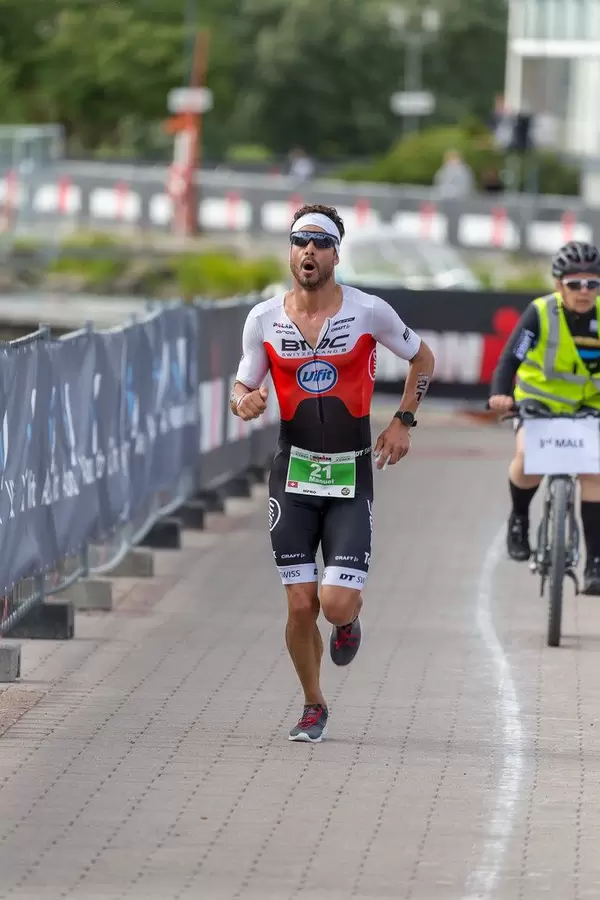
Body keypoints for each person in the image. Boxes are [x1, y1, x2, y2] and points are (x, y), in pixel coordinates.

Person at [229, 203, 435, 743]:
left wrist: (402, 422)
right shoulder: (263, 318)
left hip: (349, 476)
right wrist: (244, 401)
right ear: (291, 251)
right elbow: (242, 385)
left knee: (333, 601)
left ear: (336, 253)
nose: (309, 252)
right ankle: (313, 704)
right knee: (300, 604)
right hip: (292, 474)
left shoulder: (368, 311)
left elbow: (423, 360)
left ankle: (347, 620)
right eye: (301, 242)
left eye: (321, 242)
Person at [489, 240, 600, 594]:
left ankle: (595, 563)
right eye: (575, 284)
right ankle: (519, 518)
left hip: (588, 408)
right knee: (528, 460)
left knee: (594, 474)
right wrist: (501, 393)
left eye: (592, 284)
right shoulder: (540, 313)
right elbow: (511, 357)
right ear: (558, 284)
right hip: (537, 405)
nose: (584, 291)